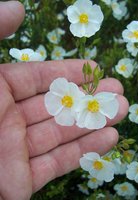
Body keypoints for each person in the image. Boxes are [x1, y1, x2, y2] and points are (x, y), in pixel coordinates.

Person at [0, 1, 129, 200]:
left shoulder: (87, 99)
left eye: (85, 17)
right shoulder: (69, 95)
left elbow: (83, 103)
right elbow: (72, 100)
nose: (83, 18)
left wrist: (87, 102)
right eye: (82, 16)